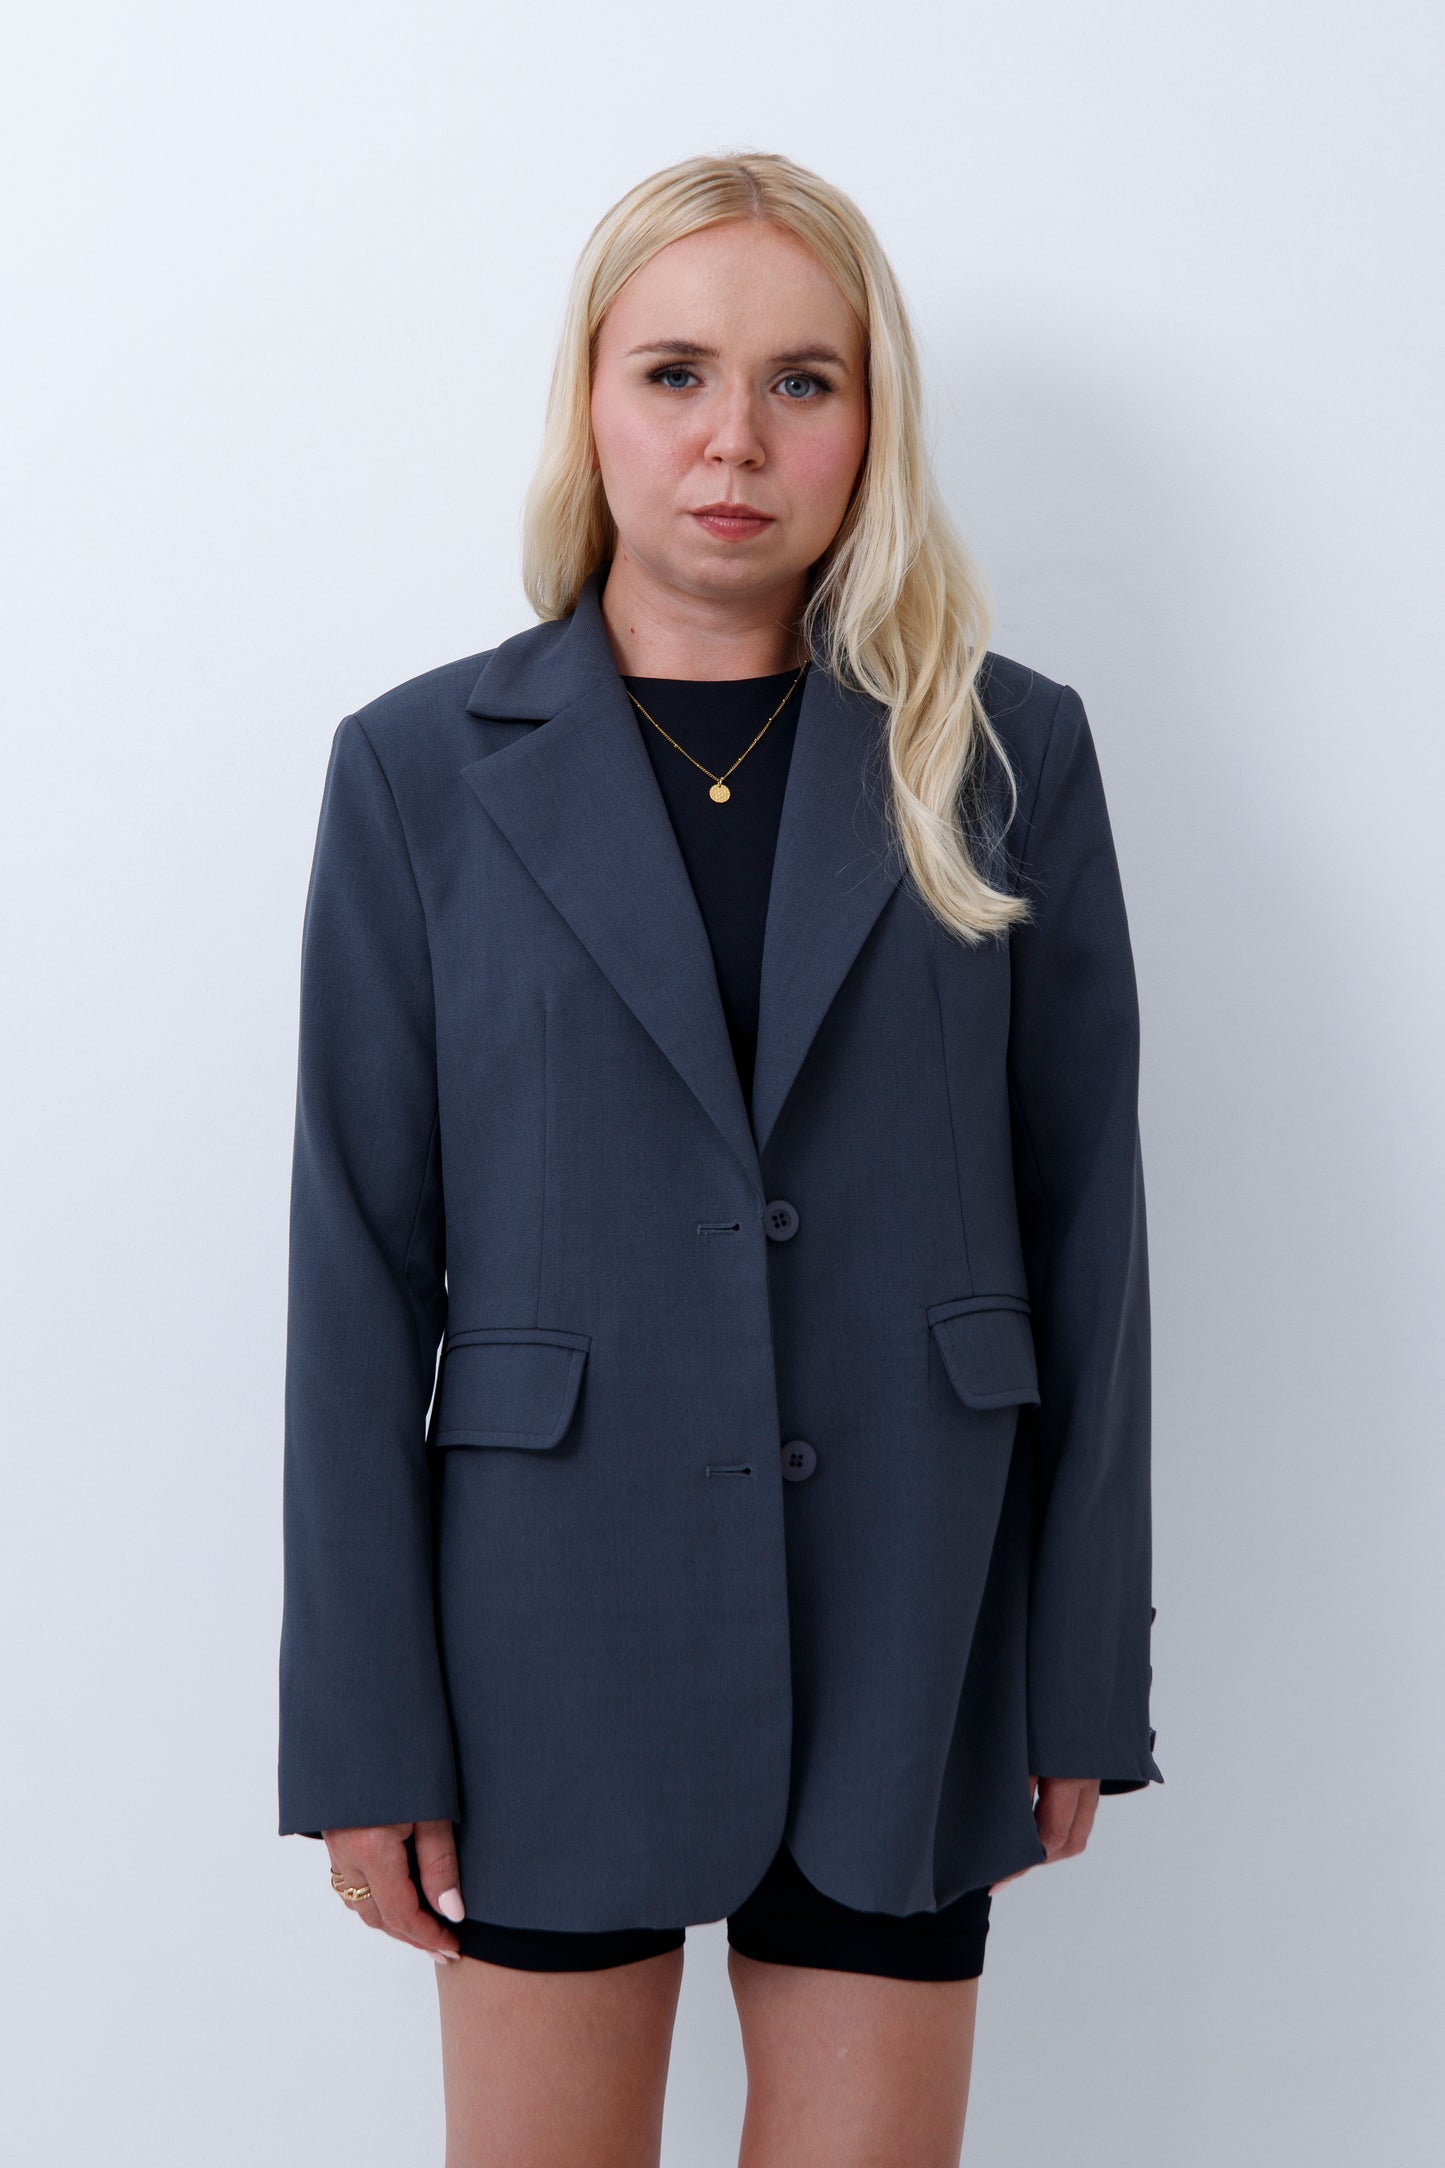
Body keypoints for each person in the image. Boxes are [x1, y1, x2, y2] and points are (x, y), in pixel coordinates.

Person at [278, 150, 1161, 2167]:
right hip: (543, 1633)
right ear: (591, 398)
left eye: (803, 383)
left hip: (915, 1616)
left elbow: (1087, 1229)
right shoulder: (417, 775)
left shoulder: (1007, 755)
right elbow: (353, 1270)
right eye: (677, 372)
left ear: (875, 418)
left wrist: (1079, 1669)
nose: (735, 442)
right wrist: (362, 1730)